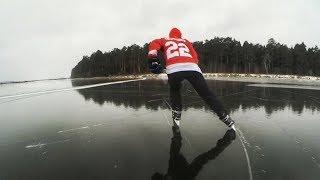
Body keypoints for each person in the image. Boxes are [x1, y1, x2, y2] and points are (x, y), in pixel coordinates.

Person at [147, 27, 235, 130]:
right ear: (180, 35)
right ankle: (224, 116)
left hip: (174, 69)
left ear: (170, 35)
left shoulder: (164, 40)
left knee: (175, 90)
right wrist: (191, 65)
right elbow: (195, 56)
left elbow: (153, 43)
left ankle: (176, 113)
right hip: (192, 68)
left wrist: (153, 58)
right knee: (206, 93)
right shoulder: (186, 41)